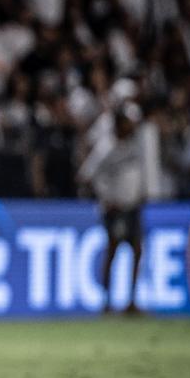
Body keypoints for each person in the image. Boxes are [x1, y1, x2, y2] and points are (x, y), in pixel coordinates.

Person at [78, 105, 145, 315]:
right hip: (115, 209)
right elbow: (86, 176)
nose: (131, 126)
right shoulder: (106, 147)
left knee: (136, 250)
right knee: (113, 251)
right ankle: (106, 302)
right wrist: (106, 197)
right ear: (119, 124)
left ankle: (131, 301)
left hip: (132, 206)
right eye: (127, 122)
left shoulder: (134, 145)